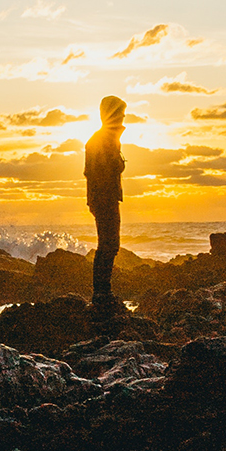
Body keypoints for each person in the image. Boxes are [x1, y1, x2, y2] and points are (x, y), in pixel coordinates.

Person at [85, 94, 126, 315]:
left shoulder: (108, 138)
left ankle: (103, 292)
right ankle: (101, 293)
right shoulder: (101, 140)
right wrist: (96, 200)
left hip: (105, 198)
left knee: (110, 244)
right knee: (108, 244)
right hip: (104, 198)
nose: (123, 117)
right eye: (120, 113)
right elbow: (96, 172)